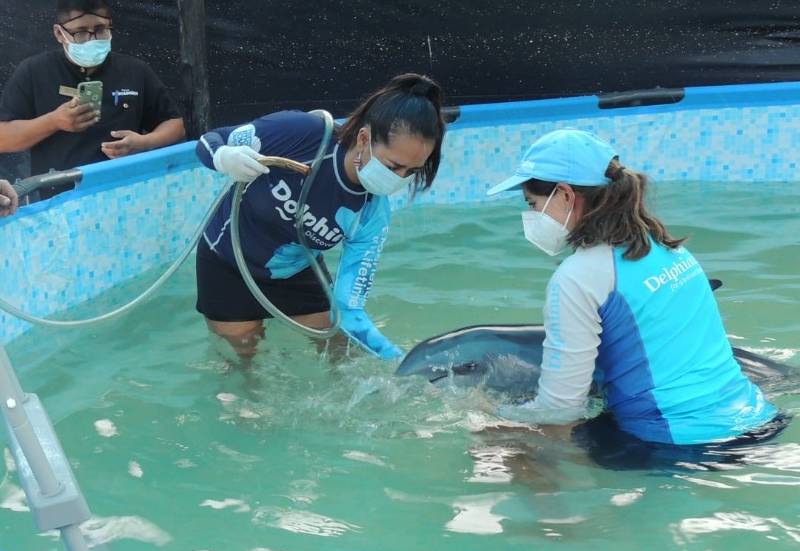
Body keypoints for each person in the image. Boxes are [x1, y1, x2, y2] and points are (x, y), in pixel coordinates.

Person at [486, 128, 781, 447]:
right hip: (758, 418)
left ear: (566, 195)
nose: (531, 215)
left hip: (679, 442)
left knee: (492, 442)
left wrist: (490, 412)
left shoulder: (577, 277)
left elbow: (560, 409)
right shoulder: (669, 248)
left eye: (533, 204)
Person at [195, 73, 446, 358]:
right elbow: (209, 140)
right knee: (242, 366)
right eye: (393, 165)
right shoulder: (302, 133)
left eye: (411, 172)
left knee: (341, 349)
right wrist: (224, 156)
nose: (398, 179)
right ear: (364, 138)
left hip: (295, 272)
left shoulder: (372, 216)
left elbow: (350, 311)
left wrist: (403, 363)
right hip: (226, 263)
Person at [0, 0, 185, 199]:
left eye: (100, 30)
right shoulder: (34, 72)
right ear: (58, 33)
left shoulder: (135, 71)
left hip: (126, 194)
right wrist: (54, 121)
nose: (92, 39)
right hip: (59, 202)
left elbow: (176, 124)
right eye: (80, 33)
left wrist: (144, 142)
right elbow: (4, 138)